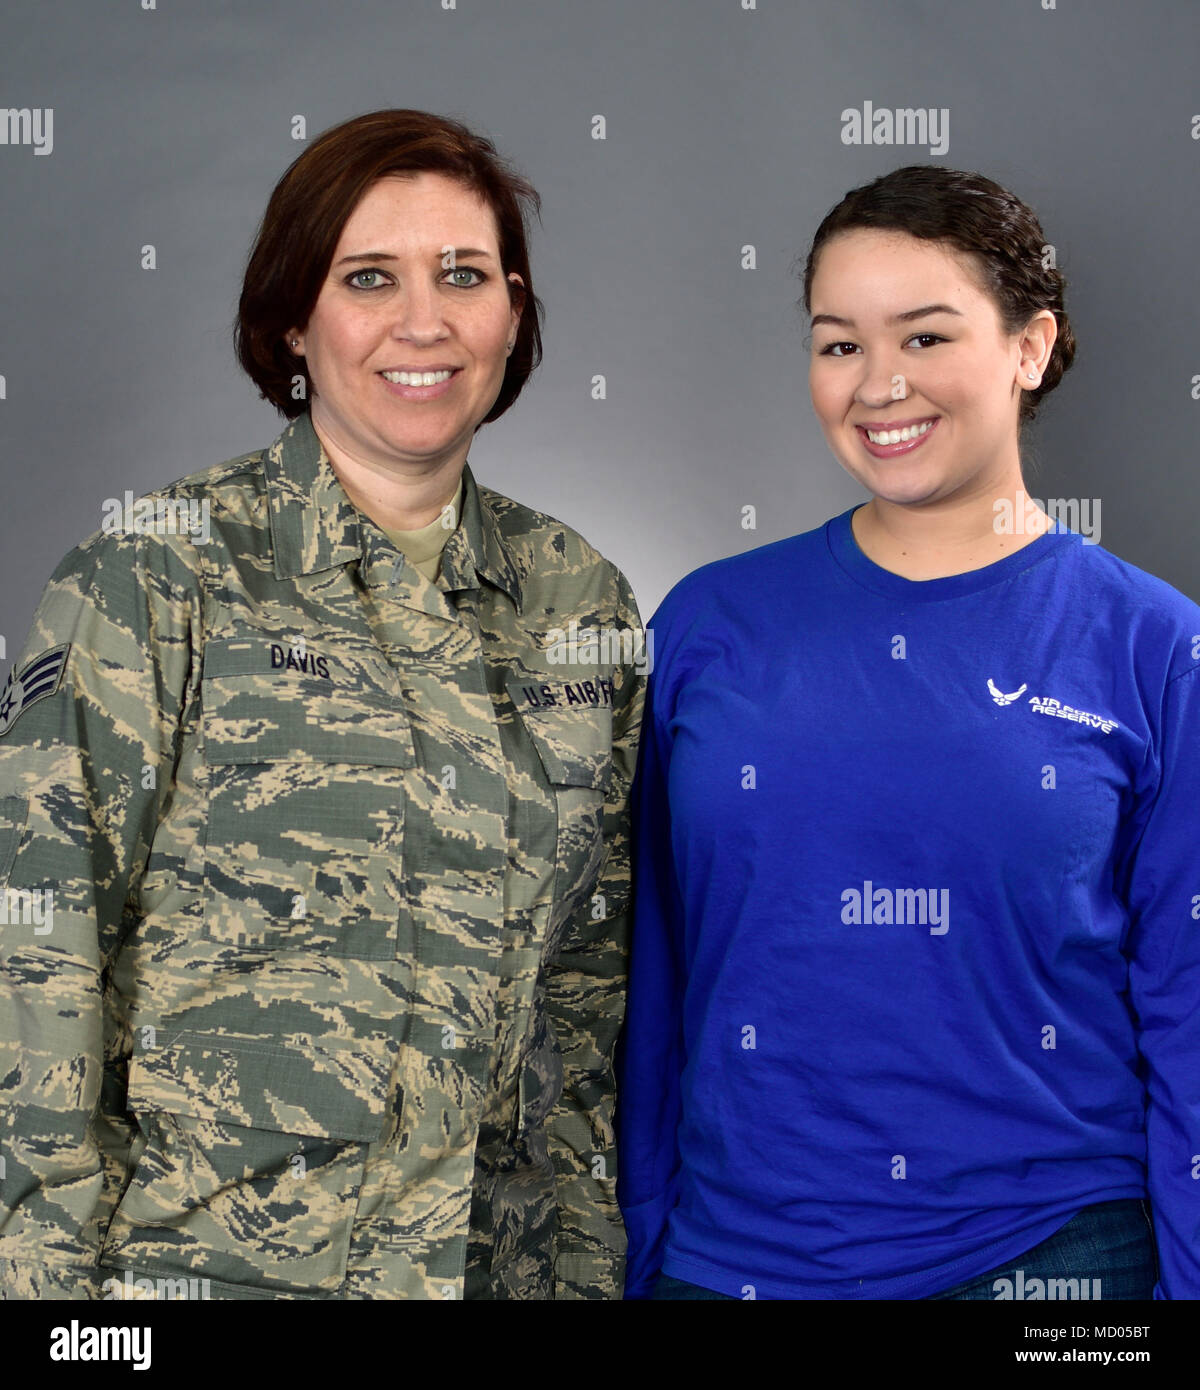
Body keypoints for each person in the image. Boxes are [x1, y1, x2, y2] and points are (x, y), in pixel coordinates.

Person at [0, 108, 643, 1301]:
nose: (424, 322)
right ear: (295, 318)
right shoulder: (157, 573)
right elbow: (33, 954)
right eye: (368, 278)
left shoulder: (579, 601)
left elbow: (583, 1000)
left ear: (512, 309)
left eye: (463, 274)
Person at [617, 164, 1200, 1301]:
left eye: (926, 337)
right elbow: (652, 965)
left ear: (1031, 347)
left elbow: (1193, 1004)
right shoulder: (710, 622)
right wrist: (642, 1238)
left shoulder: (1156, 648)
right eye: (839, 345)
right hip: (736, 1259)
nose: (879, 385)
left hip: (1054, 1260)